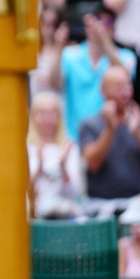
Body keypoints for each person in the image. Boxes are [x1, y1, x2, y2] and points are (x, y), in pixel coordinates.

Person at [79, 65, 140, 219]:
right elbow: (93, 163)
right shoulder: (89, 125)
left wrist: (138, 133)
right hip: (100, 204)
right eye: (119, 86)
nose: (126, 91)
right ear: (104, 91)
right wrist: (110, 129)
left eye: (128, 84)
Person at [50, 8, 136, 140]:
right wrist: (57, 47)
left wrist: (104, 41)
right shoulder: (70, 54)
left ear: (114, 29)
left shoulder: (127, 57)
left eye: (106, 23)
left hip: (111, 138)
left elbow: (125, 76)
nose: (99, 28)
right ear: (87, 28)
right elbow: (53, 83)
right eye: (97, 22)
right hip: (74, 137)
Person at [28, 91, 86, 219]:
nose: (47, 119)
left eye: (52, 113)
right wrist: (39, 166)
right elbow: (24, 192)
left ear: (59, 117)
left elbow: (73, 194)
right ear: (33, 117)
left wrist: (62, 166)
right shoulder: (25, 148)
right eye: (42, 113)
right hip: (33, 215)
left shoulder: (69, 148)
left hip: (62, 214)